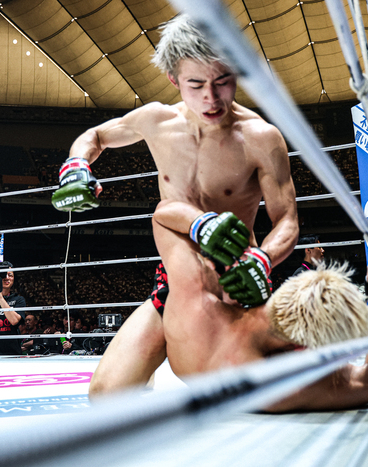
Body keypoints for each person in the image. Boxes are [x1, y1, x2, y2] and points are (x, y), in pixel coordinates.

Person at [56, 15, 299, 394]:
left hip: (236, 280)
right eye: (196, 84)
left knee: (245, 397)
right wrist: (76, 166)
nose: (211, 98)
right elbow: (96, 136)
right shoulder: (157, 121)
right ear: (174, 79)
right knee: (106, 394)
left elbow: (287, 221)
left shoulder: (261, 138)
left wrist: (263, 259)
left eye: (222, 81)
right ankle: (155, 359)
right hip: (177, 278)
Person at [92, 200, 368, 410]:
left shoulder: (202, 311)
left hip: (189, 303)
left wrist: (201, 226)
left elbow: (163, 216)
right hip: (197, 294)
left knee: (105, 396)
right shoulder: (294, 382)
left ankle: (215, 242)